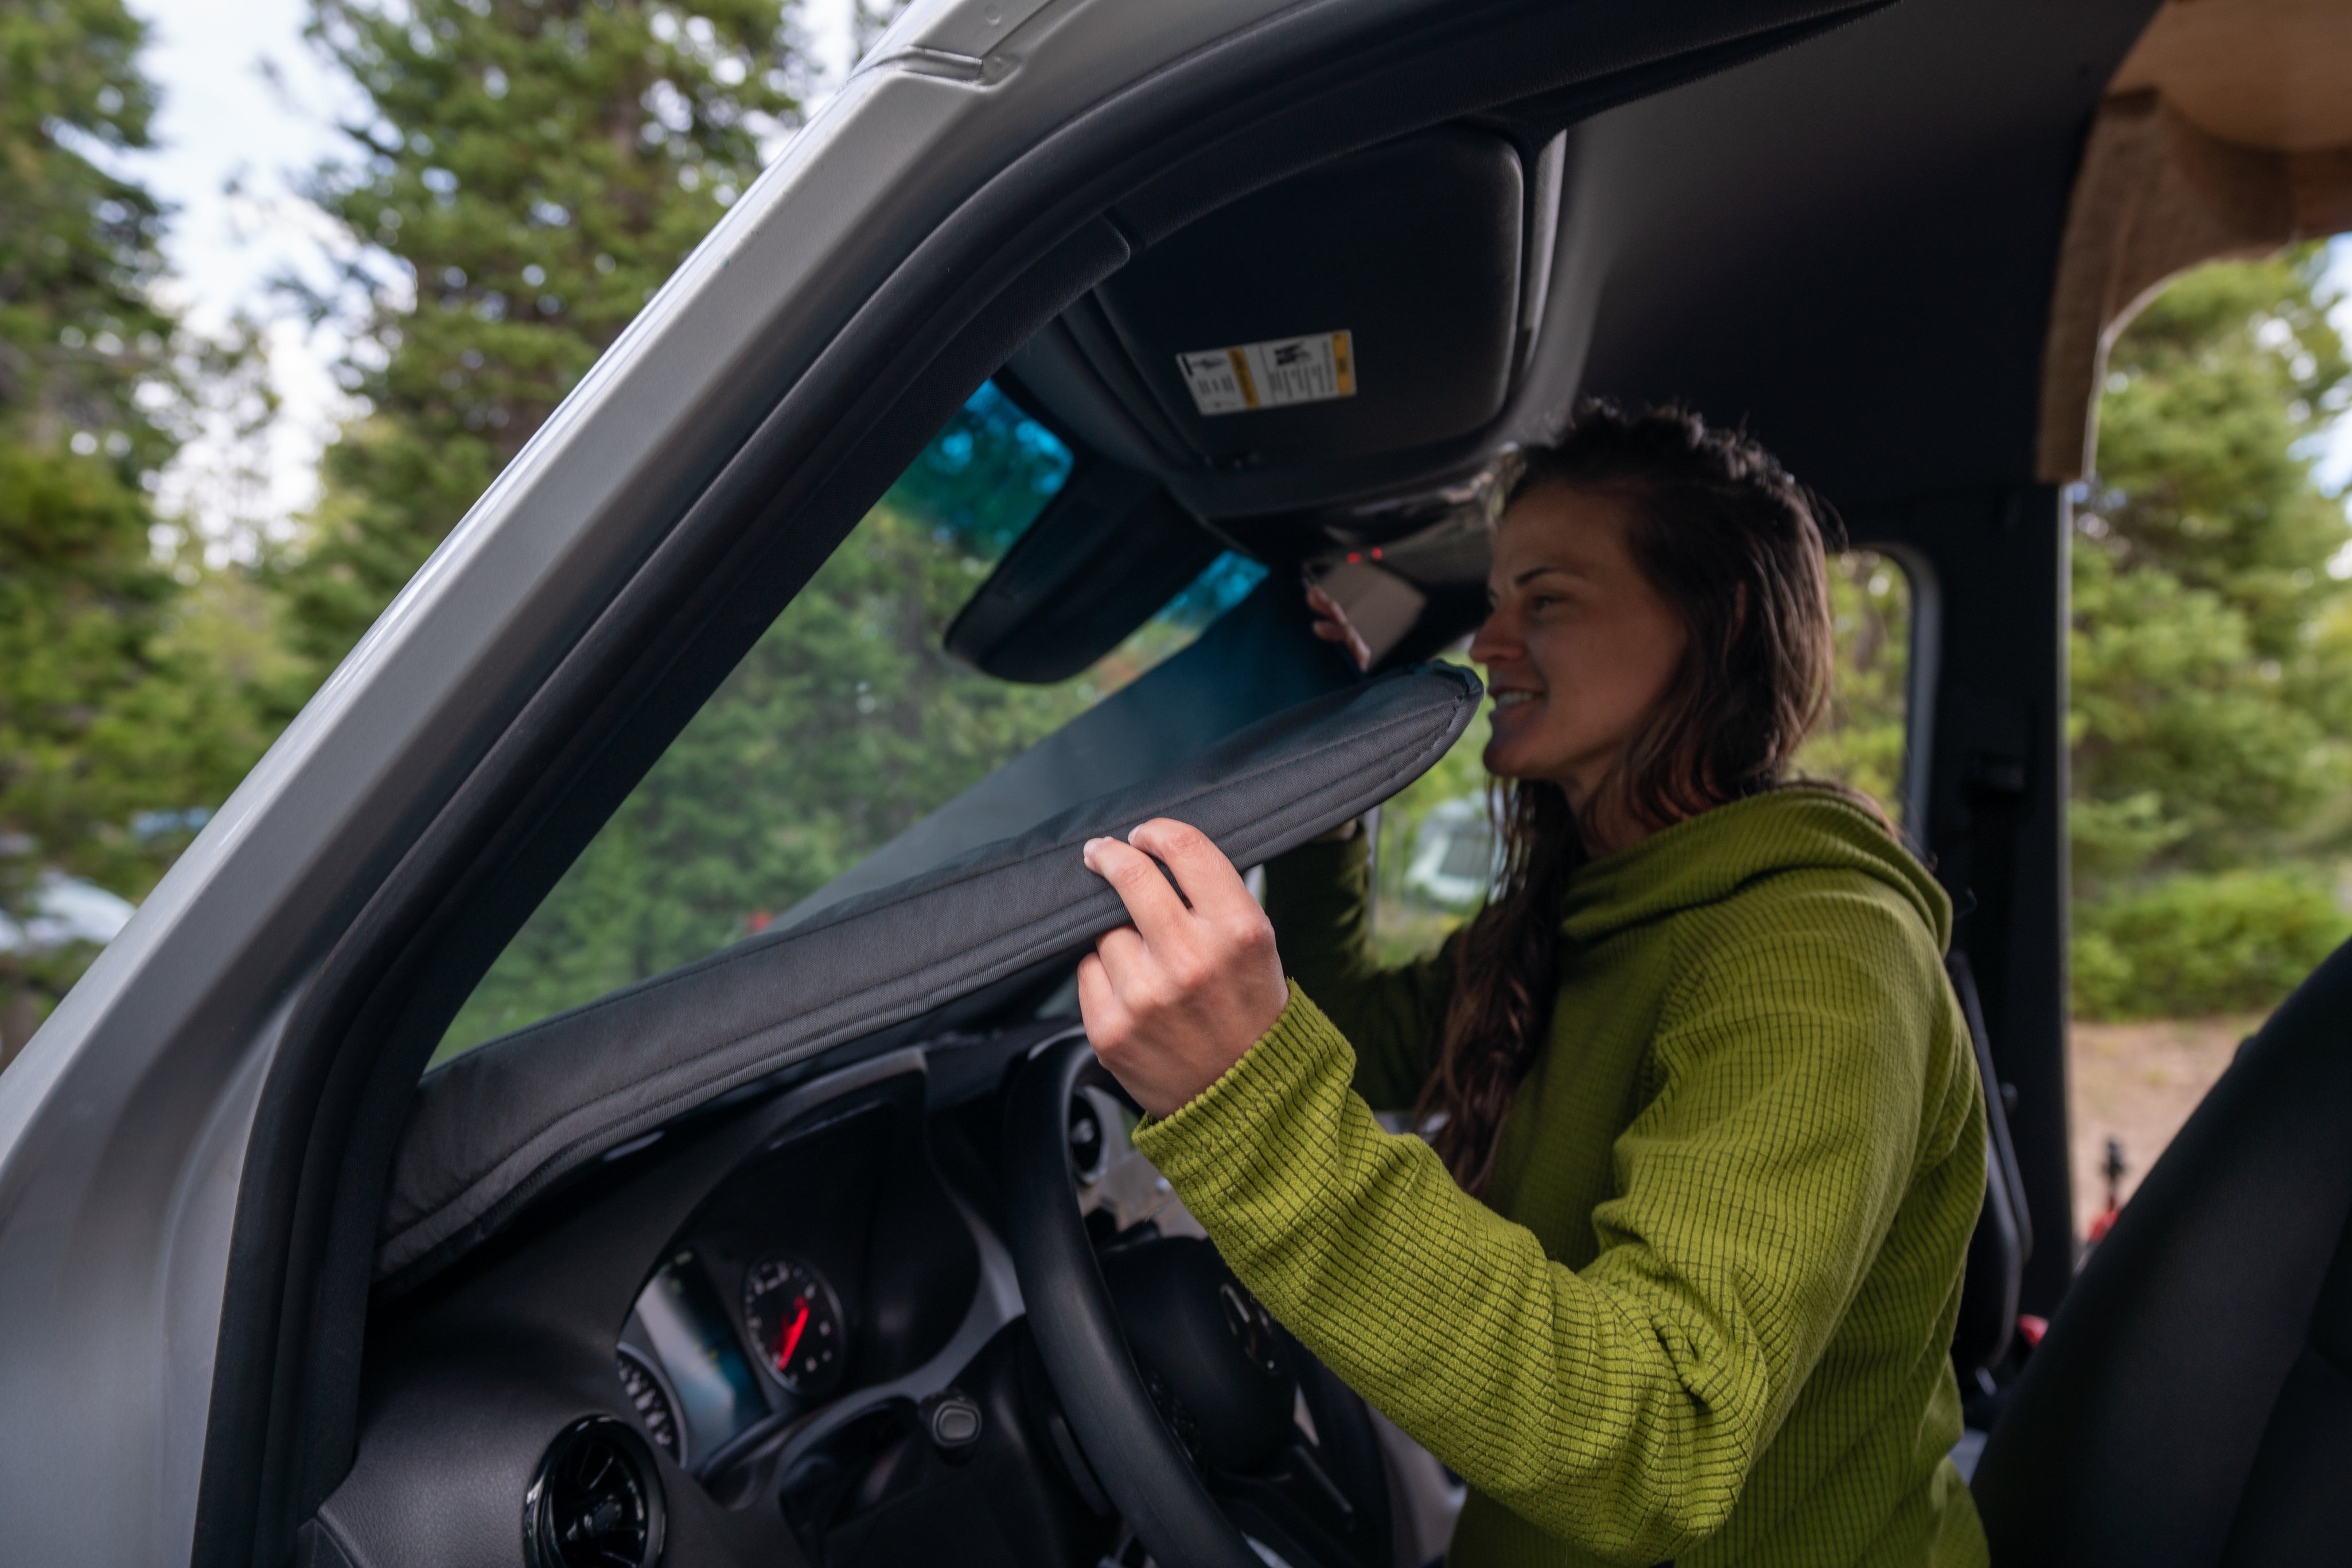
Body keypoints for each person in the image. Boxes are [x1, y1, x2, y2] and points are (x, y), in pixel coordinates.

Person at [1074, 401, 1988, 1567]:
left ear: (1715, 620)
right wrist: (1316, 805)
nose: (1487, 643)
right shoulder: (1582, 911)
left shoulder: (1817, 951)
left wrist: (1255, 1115)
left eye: (1545, 600)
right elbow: (1348, 1026)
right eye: (1497, 598)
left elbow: (1661, 1437)